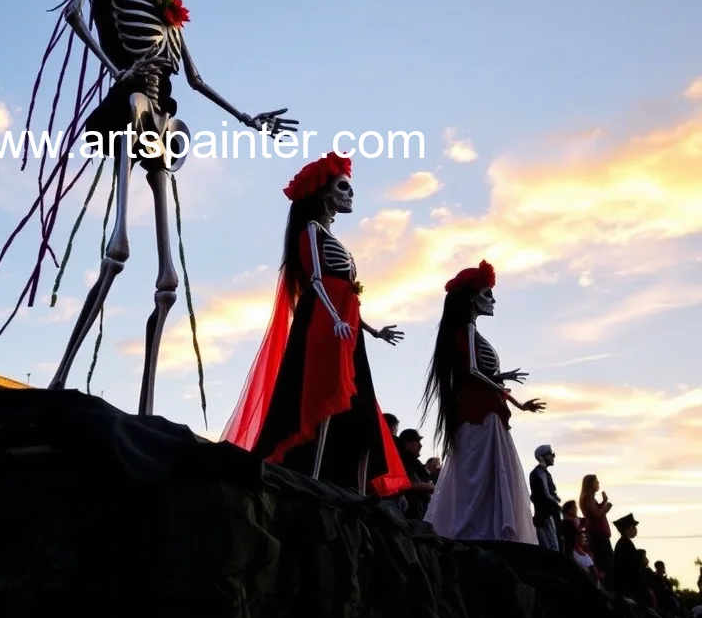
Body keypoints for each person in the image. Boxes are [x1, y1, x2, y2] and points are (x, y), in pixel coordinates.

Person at [222, 153, 410, 496]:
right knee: (325, 392)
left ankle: (350, 483)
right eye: (342, 187)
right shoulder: (311, 230)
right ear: (323, 194)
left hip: (347, 326)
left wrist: (371, 329)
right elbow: (317, 279)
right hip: (327, 322)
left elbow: (345, 292)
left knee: (360, 399)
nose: (349, 195)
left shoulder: (329, 236)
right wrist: (336, 318)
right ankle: (313, 475)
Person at [419, 261, 544, 543]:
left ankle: (486, 527)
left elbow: (481, 376)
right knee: (478, 472)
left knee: (486, 471)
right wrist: (505, 383)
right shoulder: (466, 331)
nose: (493, 300)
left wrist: (513, 398)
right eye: (487, 294)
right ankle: (475, 530)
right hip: (479, 410)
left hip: (486, 407)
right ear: (472, 299)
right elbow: (473, 372)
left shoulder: (469, 332)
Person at [579, 474, 614, 587]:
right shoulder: (588, 498)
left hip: (599, 535)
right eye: (595, 481)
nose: (598, 483)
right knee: (606, 565)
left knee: (607, 564)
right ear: (590, 484)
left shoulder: (590, 498)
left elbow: (596, 510)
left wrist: (603, 502)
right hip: (598, 536)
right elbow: (596, 514)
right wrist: (607, 507)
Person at [397, 428, 436, 520]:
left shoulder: (415, 462)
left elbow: (428, 480)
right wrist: (426, 486)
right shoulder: (400, 461)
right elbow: (400, 484)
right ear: (407, 443)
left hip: (419, 511)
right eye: (417, 441)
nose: (420, 445)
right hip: (407, 514)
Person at [530, 444, 562, 550]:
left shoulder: (543, 473)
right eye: (550, 455)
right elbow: (546, 494)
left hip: (548, 516)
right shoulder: (539, 473)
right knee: (551, 548)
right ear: (542, 457)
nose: (553, 457)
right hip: (545, 517)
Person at [611, 513, 648, 605]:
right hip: (629, 589)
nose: (636, 530)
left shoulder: (624, 543)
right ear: (629, 528)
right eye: (634, 527)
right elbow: (632, 569)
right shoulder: (625, 545)